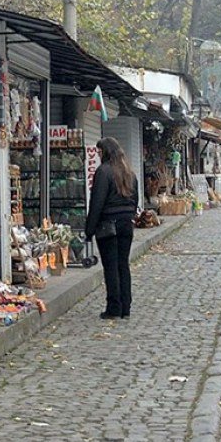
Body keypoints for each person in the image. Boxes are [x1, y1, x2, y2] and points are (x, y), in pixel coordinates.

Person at [86, 137, 139, 319]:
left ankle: (114, 306)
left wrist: (89, 230)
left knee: (111, 267)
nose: (98, 155)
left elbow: (97, 203)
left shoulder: (103, 172)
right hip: (126, 225)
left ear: (106, 152)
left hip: (108, 225)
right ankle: (126, 306)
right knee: (123, 265)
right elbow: (135, 201)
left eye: (100, 152)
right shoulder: (130, 173)